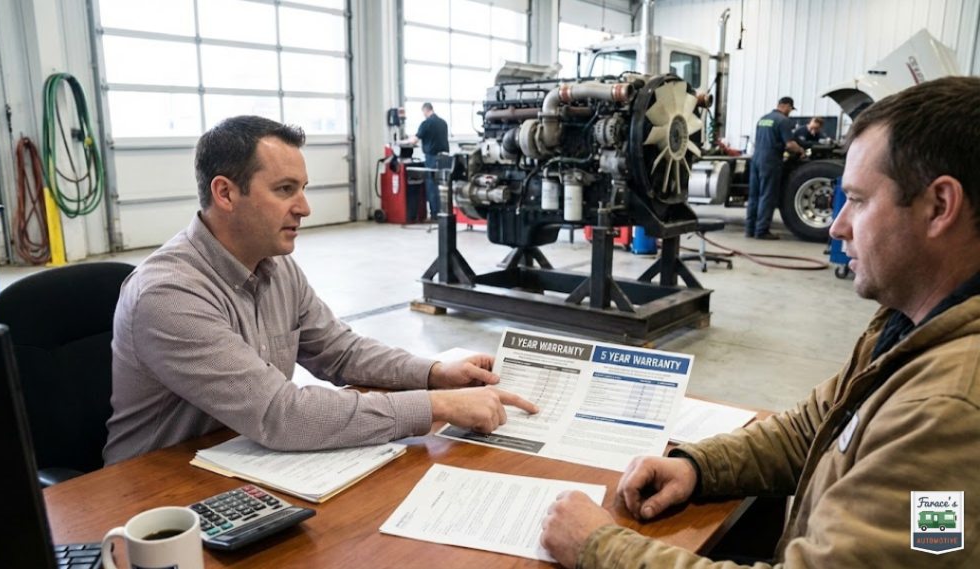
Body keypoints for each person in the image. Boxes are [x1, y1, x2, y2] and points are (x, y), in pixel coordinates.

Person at [540, 76, 980, 568]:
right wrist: (698, 467)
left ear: (939, 206)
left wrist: (600, 548)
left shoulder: (951, 410)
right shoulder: (912, 326)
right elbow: (811, 429)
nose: (837, 226)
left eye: (857, 200)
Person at [104, 115, 538, 465]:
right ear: (225, 193)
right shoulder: (169, 295)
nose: (304, 208)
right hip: (154, 493)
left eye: (303, 189)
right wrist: (436, 406)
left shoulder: (277, 268)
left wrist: (434, 373)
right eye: (284, 190)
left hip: (241, 461)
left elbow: (341, 352)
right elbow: (281, 416)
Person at [745, 96, 805, 240]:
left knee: (754, 196)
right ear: (787, 106)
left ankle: (750, 229)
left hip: (756, 159)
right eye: (790, 109)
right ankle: (761, 231)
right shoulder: (783, 121)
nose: (790, 112)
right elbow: (790, 144)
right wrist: (801, 150)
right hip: (770, 161)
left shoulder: (763, 119)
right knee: (767, 195)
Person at [404, 102, 449, 220]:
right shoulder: (443, 123)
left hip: (432, 158)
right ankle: (444, 212)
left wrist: (406, 141)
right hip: (444, 158)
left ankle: (435, 214)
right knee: (442, 186)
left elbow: (414, 140)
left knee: (432, 185)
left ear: (425, 111)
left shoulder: (426, 124)